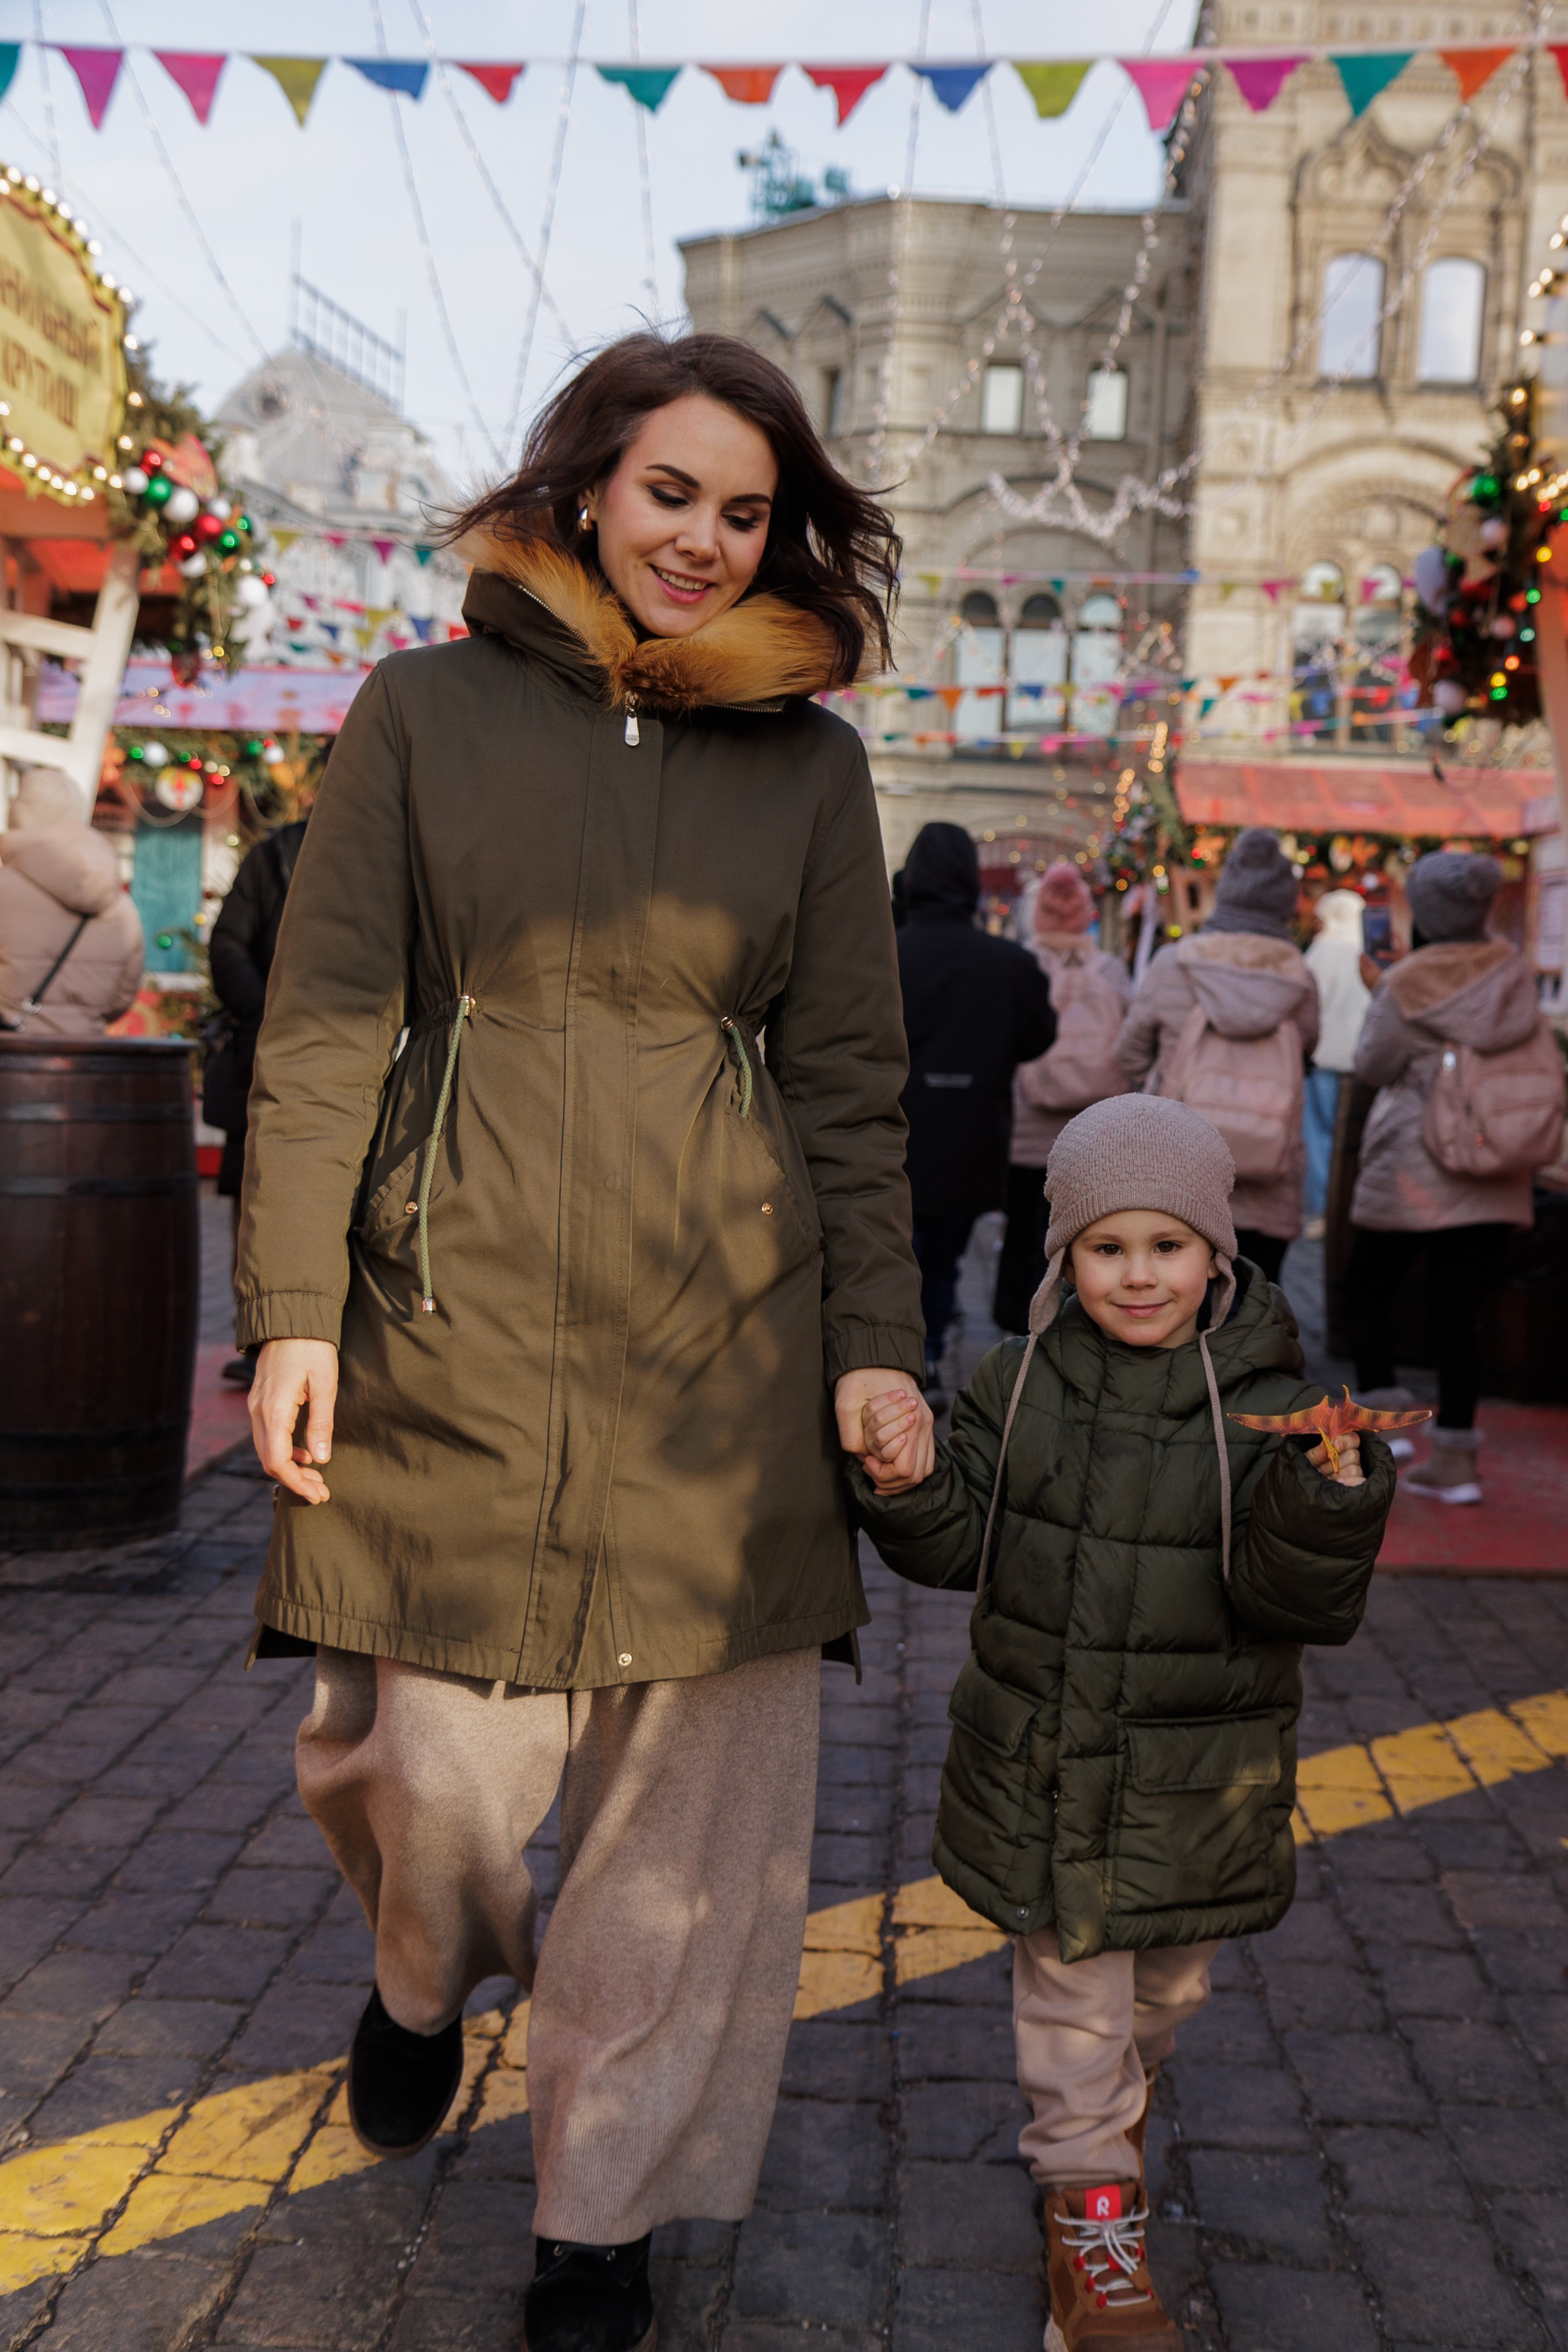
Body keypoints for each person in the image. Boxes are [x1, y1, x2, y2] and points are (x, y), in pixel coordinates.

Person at [236, 330, 929, 2352]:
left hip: (728, 1362)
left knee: (678, 1843)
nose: (705, 541)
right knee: (425, 1769)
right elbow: (324, 1029)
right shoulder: (424, 714)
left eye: (743, 509)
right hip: (446, 1332)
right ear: (584, 486)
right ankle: (419, 1977)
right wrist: (292, 1309)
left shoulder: (813, 764)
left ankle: (598, 2224)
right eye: (669, 495)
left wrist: (873, 1342)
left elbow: (852, 1083)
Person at [847, 1094, 1393, 2352]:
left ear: (1217, 1254)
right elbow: (952, 1545)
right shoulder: (1017, 1380)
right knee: (1078, 2020)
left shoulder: (1272, 1407)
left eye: (1166, 1246)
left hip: (1197, 1795)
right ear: (1065, 1259)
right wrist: (908, 1477)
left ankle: (1100, 2133)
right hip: (1046, 1779)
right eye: (1107, 1249)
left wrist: (1330, 1497)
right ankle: (1095, 2234)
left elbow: (1291, 1599)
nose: (1138, 1275)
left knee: (1162, 1999)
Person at [1349, 850, 1549, 1505]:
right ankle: (1458, 1462)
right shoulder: (1513, 973)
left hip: (1417, 1162)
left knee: (1367, 1290)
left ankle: (1387, 1428)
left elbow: (1373, 1064)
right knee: (1459, 1315)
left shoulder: (1408, 982)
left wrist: (1378, 985)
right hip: (1496, 1163)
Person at [1118, 827, 1318, 1285]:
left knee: (1173, 1313)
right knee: (1252, 1314)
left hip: (1176, 1176)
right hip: (1269, 1174)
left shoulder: (1175, 963)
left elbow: (1128, 1054)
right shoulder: (1300, 980)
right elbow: (1307, 1051)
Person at [896, 821, 1055, 1395]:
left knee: (892, 1255)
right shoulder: (1007, 965)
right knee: (943, 1259)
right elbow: (1040, 1036)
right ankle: (930, 1352)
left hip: (896, 1134)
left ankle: (896, 1354)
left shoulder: (884, 952)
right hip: (970, 1135)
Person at [994, 861, 1130, 1334]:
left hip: (1027, 1123)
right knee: (1077, 1227)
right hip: (1090, 1127)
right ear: (1084, 914)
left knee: (1022, 1226)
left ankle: (1015, 1321)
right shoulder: (1109, 969)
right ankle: (1069, 1322)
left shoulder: (1020, 963)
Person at [207, 814, 309, 1384]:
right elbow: (228, 945)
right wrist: (267, 1013)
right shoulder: (275, 855)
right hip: (262, 1057)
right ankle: (254, 1342)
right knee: (253, 1198)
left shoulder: (398, 840)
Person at [0, 768, 143, 1036]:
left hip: (9, 1057)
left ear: (20, 813)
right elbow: (122, 998)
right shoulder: (121, 907)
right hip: (82, 1061)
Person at [1300, 888, 1371, 1237]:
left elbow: (1308, 1010)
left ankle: (1320, 1212)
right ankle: (1350, 1210)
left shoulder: (1321, 953)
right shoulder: (1369, 953)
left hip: (1323, 1059)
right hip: (1362, 1064)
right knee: (1356, 1140)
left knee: (1318, 1139)